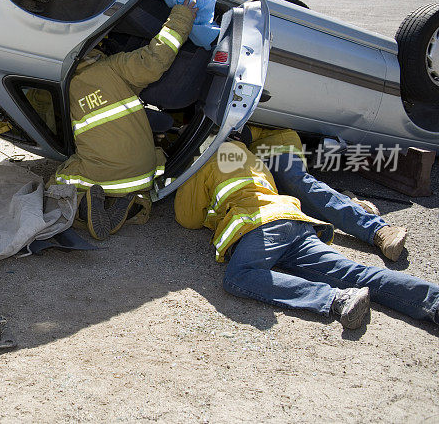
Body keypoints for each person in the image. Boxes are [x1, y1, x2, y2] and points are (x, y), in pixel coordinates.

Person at [174, 139, 439, 330]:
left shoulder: (206, 158)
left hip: (261, 226)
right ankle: (432, 301)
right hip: (293, 222)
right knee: (354, 273)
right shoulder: (250, 157)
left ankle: (336, 299)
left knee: (238, 277)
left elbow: (188, 218)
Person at [52, 0, 197, 240]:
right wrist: (181, 17)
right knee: (132, 170)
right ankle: (137, 204)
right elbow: (155, 59)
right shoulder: (114, 67)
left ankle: (80, 206)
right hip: (145, 168)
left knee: (57, 179)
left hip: (104, 171)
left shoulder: (63, 87)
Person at [248, 126, 407, 262]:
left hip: (272, 143)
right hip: (244, 156)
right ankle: (349, 203)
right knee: (282, 208)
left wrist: (240, 131)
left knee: (294, 181)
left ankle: (377, 230)